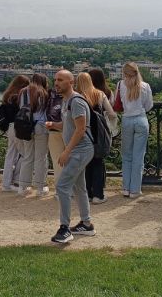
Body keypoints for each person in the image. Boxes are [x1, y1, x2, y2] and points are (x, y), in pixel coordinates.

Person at [46, 70, 96, 243]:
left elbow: (81, 130)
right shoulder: (66, 100)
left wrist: (67, 151)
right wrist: (53, 124)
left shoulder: (76, 102)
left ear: (71, 82)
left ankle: (65, 229)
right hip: (77, 150)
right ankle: (86, 224)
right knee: (79, 187)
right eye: (55, 80)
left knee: (61, 186)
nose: (56, 83)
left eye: (60, 80)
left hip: (80, 150)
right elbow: (69, 125)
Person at [75, 72, 117, 204]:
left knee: (86, 164)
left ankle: (87, 194)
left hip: (83, 132)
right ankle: (98, 195)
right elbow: (111, 113)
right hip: (98, 133)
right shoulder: (100, 94)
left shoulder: (76, 97)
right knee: (98, 162)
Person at [113, 62, 153, 198]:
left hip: (127, 120)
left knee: (127, 156)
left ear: (124, 73)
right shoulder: (145, 86)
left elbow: (117, 104)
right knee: (138, 156)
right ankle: (135, 190)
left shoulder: (120, 85)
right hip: (141, 119)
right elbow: (149, 106)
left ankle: (126, 188)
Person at [17, 73, 50, 197]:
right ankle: (41, 187)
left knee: (27, 156)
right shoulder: (43, 93)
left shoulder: (23, 92)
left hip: (25, 127)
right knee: (41, 158)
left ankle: (23, 186)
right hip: (41, 126)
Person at [0, 75, 30, 191]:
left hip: (9, 127)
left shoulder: (7, 95)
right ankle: (16, 179)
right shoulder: (18, 96)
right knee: (26, 154)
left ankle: (6, 184)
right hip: (17, 127)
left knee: (10, 155)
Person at [46, 82, 64, 193]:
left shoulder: (49, 94)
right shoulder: (74, 95)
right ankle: (69, 189)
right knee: (71, 161)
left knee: (57, 163)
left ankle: (59, 190)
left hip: (53, 129)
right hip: (69, 131)